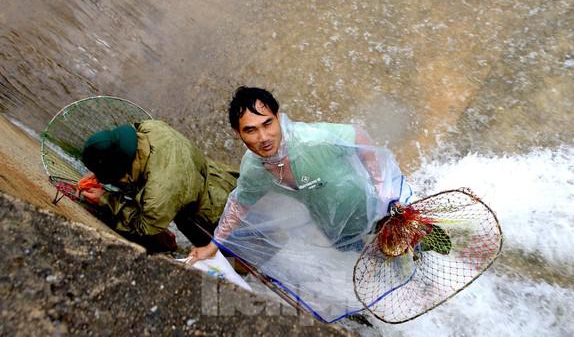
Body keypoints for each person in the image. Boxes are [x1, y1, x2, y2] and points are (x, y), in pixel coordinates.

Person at [188, 86, 403, 263]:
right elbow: (239, 204)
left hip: (375, 210)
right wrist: (213, 245)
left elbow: (358, 136)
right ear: (238, 133)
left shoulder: (311, 140)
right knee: (373, 261)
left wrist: (384, 193)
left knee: (416, 250)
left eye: (268, 123)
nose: (264, 137)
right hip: (336, 229)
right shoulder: (254, 169)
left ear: (278, 118)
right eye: (251, 130)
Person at [80, 119, 238, 253]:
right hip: (222, 178)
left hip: (213, 216)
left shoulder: (158, 193)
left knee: (230, 257)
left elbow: (145, 227)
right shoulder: (150, 127)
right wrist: (103, 173)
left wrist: (106, 199)